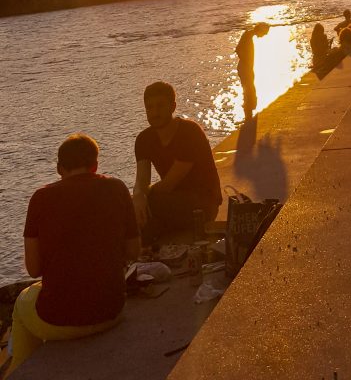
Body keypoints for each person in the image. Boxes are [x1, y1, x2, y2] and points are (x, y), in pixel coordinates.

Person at [9, 134, 140, 374]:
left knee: (21, 304)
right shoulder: (117, 188)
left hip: (59, 320)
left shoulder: (40, 198)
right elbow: (134, 251)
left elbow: (33, 269)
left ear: (59, 168)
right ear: (95, 165)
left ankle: (20, 371)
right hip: (112, 311)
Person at [133, 82, 222, 244]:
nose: (154, 113)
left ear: (173, 106)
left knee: (151, 203)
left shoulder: (190, 132)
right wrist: (138, 195)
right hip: (171, 202)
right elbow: (141, 180)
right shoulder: (144, 139)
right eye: (149, 108)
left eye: (160, 106)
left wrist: (146, 195)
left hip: (203, 202)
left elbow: (169, 184)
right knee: (132, 206)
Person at [235, 22, 270, 123]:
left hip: (247, 68)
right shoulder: (247, 36)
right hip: (244, 68)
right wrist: (246, 63)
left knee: (249, 90)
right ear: (260, 30)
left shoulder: (249, 36)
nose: (264, 36)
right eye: (264, 33)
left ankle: (248, 115)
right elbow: (238, 50)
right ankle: (248, 117)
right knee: (248, 90)